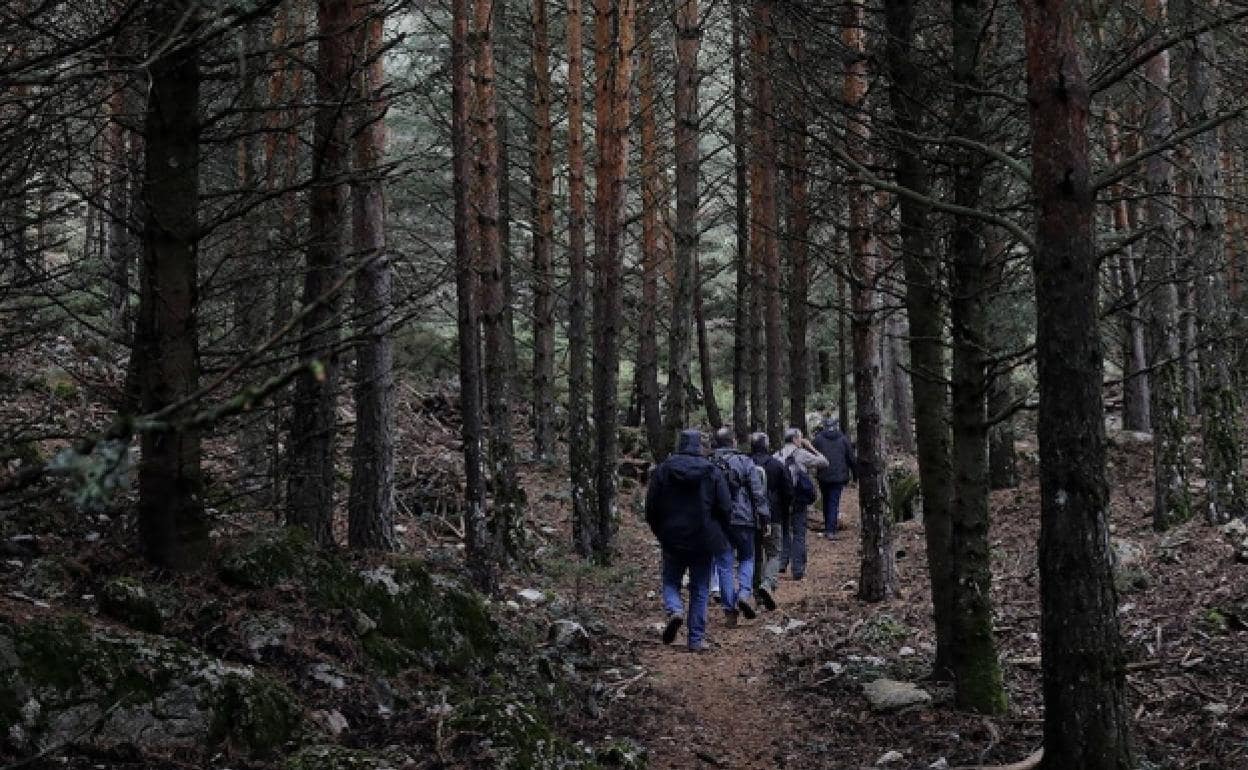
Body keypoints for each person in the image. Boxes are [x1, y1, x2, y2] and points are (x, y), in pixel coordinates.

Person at [645, 429, 732, 652]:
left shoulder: (664, 469)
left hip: (672, 537)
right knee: (700, 587)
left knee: (670, 581)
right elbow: (724, 506)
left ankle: (674, 609)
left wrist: (661, 532)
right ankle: (695, 639)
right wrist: (717, 531)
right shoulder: (711, 470)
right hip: (703, 538)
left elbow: (651, 506)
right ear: (699, 445)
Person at [710, 427, 769, 625]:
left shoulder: (710, 464)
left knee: (724, 564)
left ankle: (730, 609)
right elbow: (757, 493)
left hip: (719, 522)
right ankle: (744, 593)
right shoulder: (745, 462)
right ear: (733, 441)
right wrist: (764, 518)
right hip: (744, 519)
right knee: (747, 558)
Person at [774, 427, 828, 580]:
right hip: (798, 499)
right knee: (798, 533)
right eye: (800, 438)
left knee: (785, 531)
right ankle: (798, 569)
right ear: (795, 439)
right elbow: (824, 462)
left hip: (781, 499)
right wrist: (810, 447)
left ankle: (781, 564)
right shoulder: (801, 454)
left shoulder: (777, 455)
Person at [750, 432, 791, 611]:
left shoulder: (746, 464)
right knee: (774, 553)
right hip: (773, 515)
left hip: (749, 517)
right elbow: (788, 491)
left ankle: (758, 595)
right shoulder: (777, 465)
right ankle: (768, 584)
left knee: (755, 555)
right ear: (766, 445)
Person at [812, 416, 856, 538]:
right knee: (833, 502)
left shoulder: (818, 439)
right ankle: (830, 530)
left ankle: (828, 527)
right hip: (839, 477)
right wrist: (855, 475)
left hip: (823, 476)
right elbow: (851, 458)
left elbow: (811, 454)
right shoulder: (843, 439)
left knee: (827, 500)